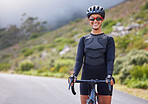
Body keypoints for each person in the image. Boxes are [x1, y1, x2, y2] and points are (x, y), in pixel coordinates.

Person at [69, 5, 115, 104]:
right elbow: (79, 60)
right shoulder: (83, 39)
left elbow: (110, 60)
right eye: (92, 19)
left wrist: (109, 75)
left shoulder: (108, 40)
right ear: (89, 20)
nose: (95, 21)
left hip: (104, 76)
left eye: (98, 18)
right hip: (87, 75)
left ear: (102, 20)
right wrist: (74, 75)